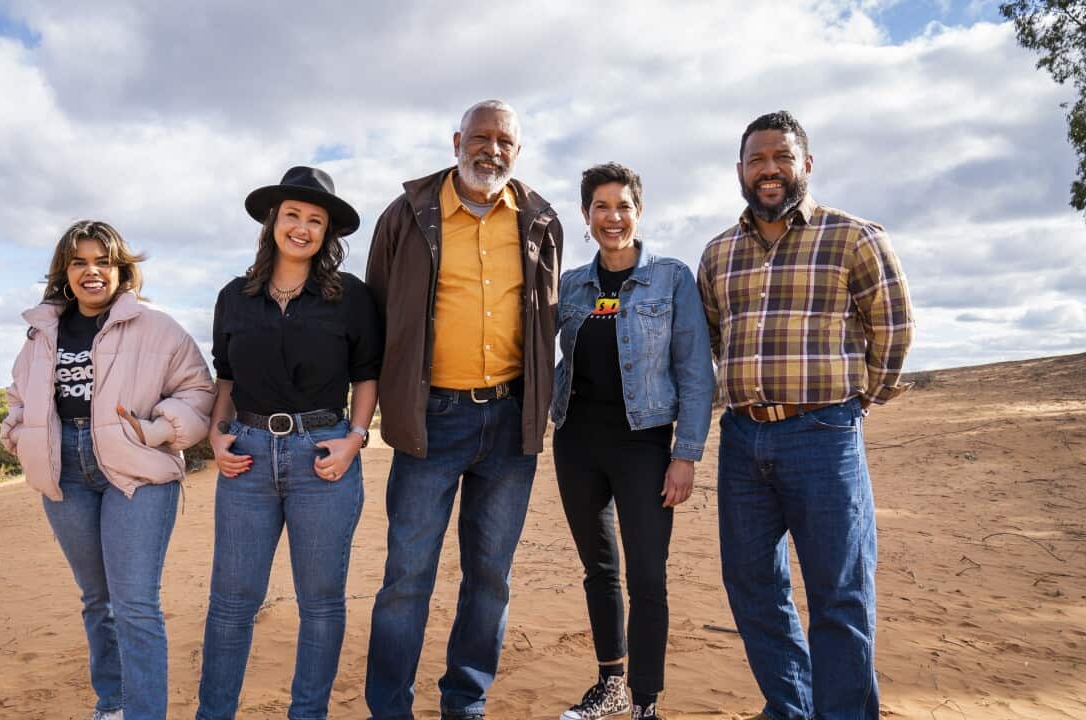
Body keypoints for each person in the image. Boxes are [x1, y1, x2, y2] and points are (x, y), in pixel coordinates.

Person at [697, 111, 914, 720]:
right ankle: (791, 706)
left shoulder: (854, 237)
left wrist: (854, 404)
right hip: (742, 440)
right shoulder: (717, 253)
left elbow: (893, 330)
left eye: (781, 157)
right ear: (740, 169)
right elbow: (710, 339)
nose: (769, 170)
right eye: (756, 159)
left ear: (806, 165)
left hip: (823, 436)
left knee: (839, 594)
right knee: (752, 586)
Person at [364, 99, 563, 720]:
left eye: (504, 141)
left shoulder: (540, 220)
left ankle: (465, 703)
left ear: (517, 151)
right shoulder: (406, 216)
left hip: (509, 424)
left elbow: (548, 319)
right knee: (406, 579)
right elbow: (373, 316)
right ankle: (390, 708)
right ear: (457, 140)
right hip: (430, 422)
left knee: (491, 579)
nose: (492, 150)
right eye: (481, 137)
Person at [1, 220, 215, 720]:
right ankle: (112, 706)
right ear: (64, 272)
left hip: (135, 468)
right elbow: (19, 395)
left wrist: (157, 432)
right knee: (97, 599)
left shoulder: (158, 327)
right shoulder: (42, 332)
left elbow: (199, 392)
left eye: (103, 262)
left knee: (135, 603)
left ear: (123, 270)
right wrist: (19, 433)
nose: (91, 272)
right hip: (66, 471)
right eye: (79, 262)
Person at [196, 166, 381, 720]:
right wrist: (214, 433)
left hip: (323, 456)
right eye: (293, 216)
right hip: (246, 458)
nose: (301, 228)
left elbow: (366, 374)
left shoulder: (351, 297)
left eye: (315, 221)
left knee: (320, 605)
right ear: (273, 221)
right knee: (231, 604)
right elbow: (224, 375)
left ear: (328, 234)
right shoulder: (234, 296)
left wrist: (354, 439)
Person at [550, 163, 714, 720]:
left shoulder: (670, 278)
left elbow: (695, 371)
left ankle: (645, 701)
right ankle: (610, 685)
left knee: (647, 574)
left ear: (638, 212)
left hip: (644, 444)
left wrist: (685, 454)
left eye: (622, 206)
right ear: (586, 216)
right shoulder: (572, 284)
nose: (612, 217)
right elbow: (528, 345)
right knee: (600, 569)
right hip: (576, 442)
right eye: (600, 207)